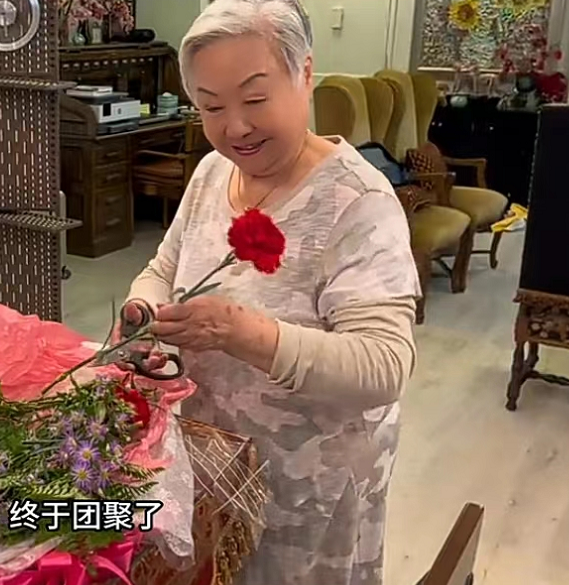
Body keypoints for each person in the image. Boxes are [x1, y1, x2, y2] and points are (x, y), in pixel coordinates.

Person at [119, 1, 421, 583]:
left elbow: (384, 366)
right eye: (212, 107)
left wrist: (242, 333)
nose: (235, 127)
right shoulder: (212, 173)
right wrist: (144, 311)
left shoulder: (357, 202)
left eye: (255, 99)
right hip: (215, 464)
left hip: (309, 490)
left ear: (304, 74)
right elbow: (164, 267)